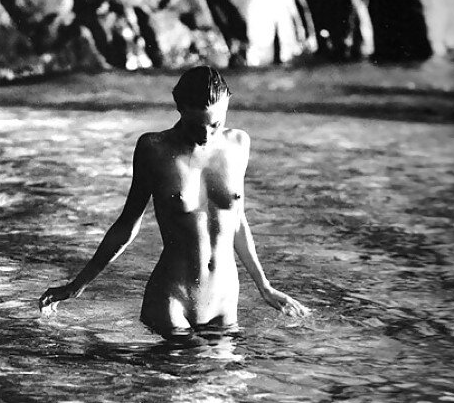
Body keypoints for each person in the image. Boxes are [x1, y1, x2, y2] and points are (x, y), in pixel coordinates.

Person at [39, 65, 308, 338]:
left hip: (224, 301)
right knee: (190, 362)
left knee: (234, 367)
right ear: (179, 108)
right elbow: (127, 225)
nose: (205, 135)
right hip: (173, 299)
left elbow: (236, 220)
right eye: (196, 126)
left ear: (228, 105)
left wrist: (264, 286)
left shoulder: (239, 144)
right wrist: (78, 285)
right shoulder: (154, 149)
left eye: (215, 124)